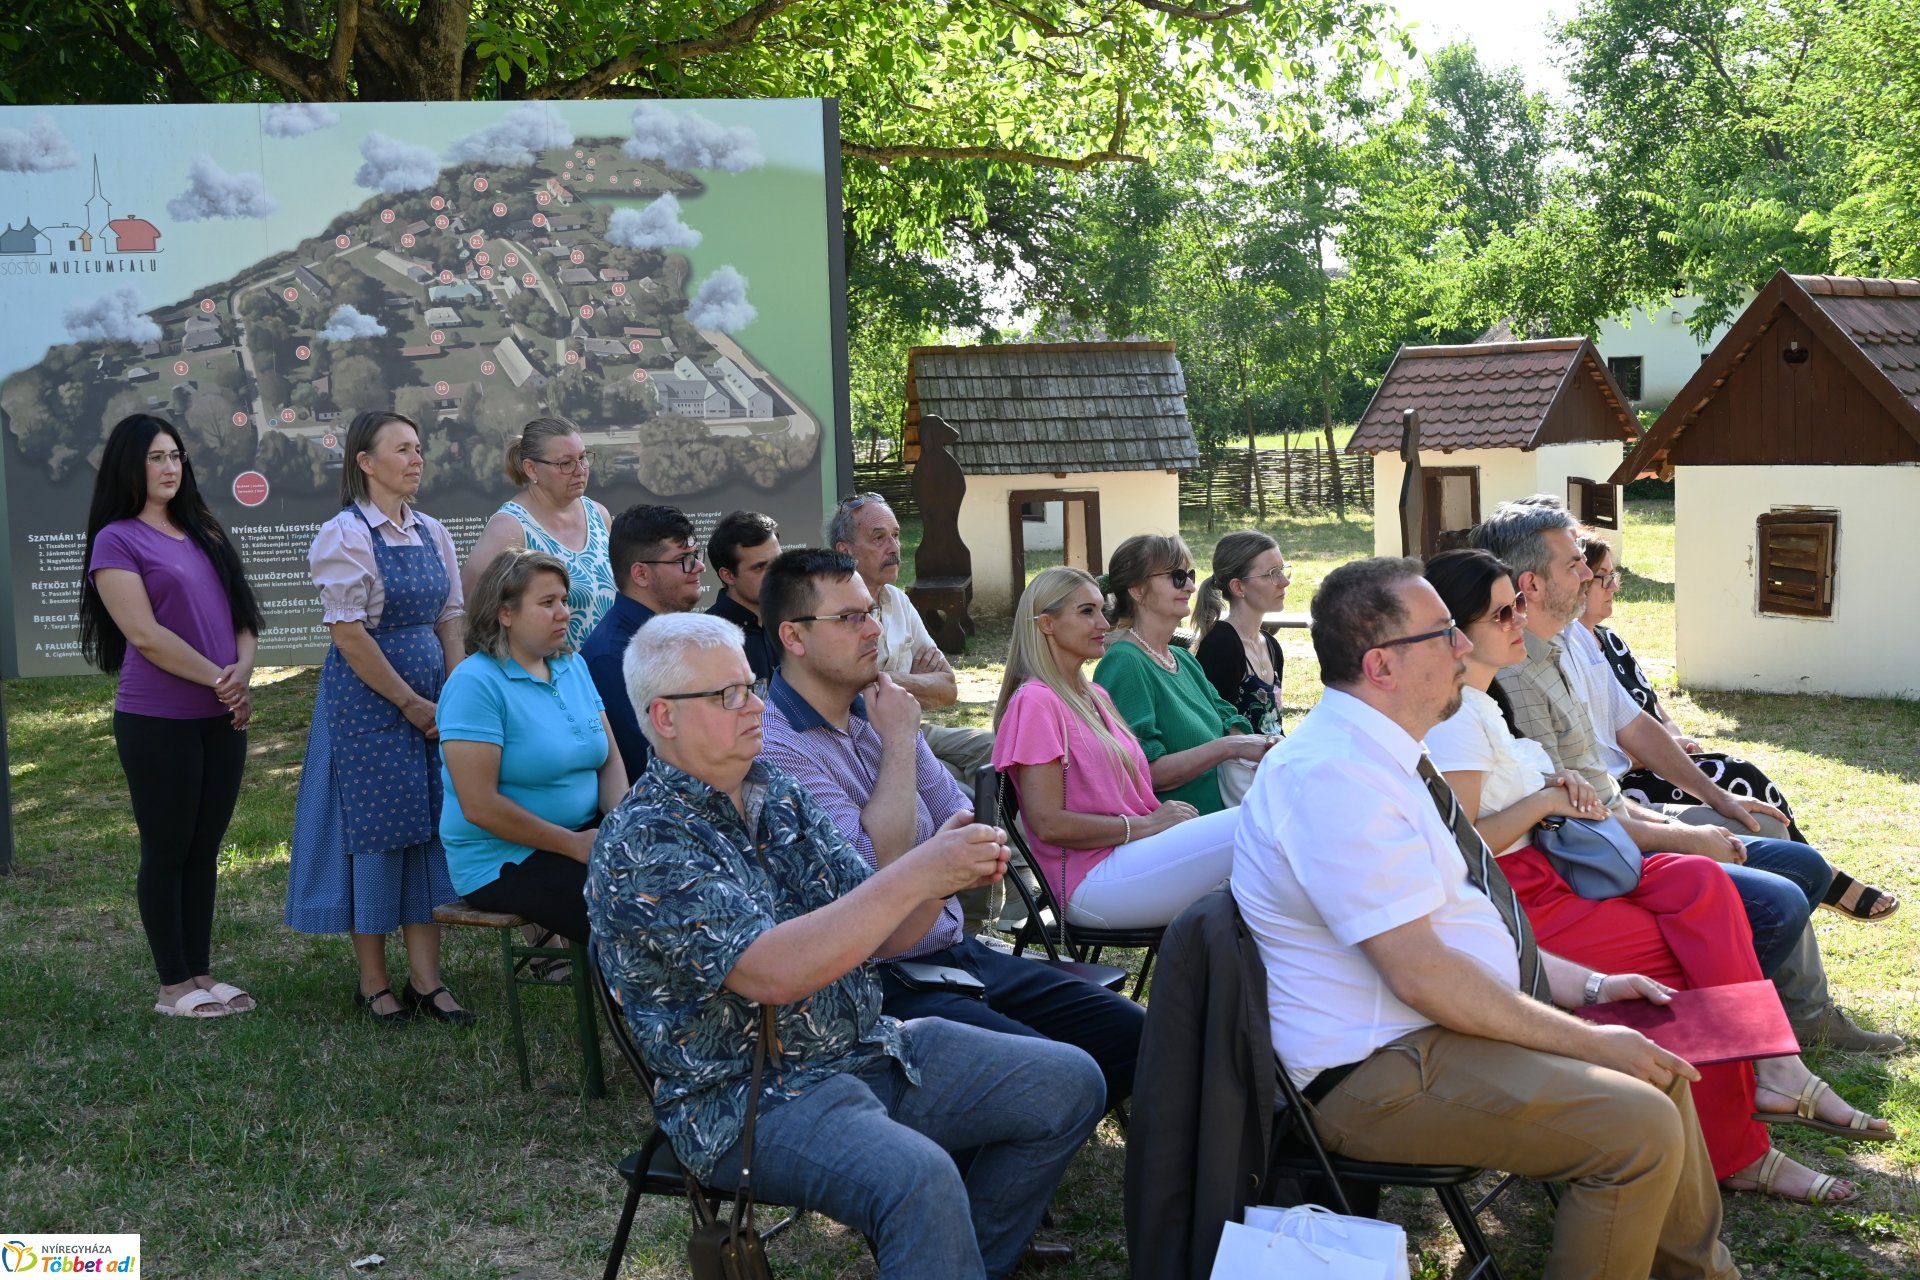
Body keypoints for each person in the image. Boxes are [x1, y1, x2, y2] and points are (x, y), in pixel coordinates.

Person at [1234, 556, 1738, 1280]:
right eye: (1444, 634)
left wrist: (1590, 989)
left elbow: (1464, 929)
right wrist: (1589, 1041)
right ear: (1381, 665)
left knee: (1658, 1074)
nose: (1465, 646)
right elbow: (1423, 974)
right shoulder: (1335, 777)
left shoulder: (1385, 757)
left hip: (1427, 1040)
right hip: (1372, 1075)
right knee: (1637, 1128)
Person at [585, 613, 1105, 1278]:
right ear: (664, 717)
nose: (755, 708)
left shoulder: (777, 795)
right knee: (919, 1177)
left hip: (865, 1048)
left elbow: (893, 933)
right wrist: (918, 873)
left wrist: (945, 871)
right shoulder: (645, 840)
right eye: (728, 696)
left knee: (1067, 1083)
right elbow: (772, 973)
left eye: (753, 686)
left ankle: (958, 1260)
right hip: (748, 1101)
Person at [1423, 549, 1888, 1203]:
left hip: (1555, 868)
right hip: (1523, 899)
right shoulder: (1458, 723)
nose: (1519, 618)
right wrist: (1546, 800)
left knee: (1701, 884)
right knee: (1684, 972)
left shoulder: (1483, 704)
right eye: (1504, 609)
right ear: (1458, 632)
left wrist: (1553, 789)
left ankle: (1776, 1068)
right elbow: (1462, 844)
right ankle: (1741, 1152)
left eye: (1519, 603)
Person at [1471, 496, 1898, 1054]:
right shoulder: (1516, 673)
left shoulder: (1565, 642)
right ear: (1530, 582)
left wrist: (1717, 802)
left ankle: (1790, 1015)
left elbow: (1626, 737)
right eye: (1576, 565)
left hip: (1621, 819)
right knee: (1783, 894)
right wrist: (1689, 835)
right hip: (1599, 850)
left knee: (1794, 857)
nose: (1591, 575)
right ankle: (1724, 1026)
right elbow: (1577, 816)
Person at [758, 551, 1145, 1111]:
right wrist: (898, 745)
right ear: (793, 637)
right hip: (877, 982)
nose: (874, 630)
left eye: (872, 612)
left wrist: (940, 849)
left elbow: (963, 815)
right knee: (1058, 1072)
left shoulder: (880, 707)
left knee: (1134, 1034)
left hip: (952, 950)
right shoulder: (780, 747)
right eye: (851, 618)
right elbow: (876, 877)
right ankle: (994, 1149)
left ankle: (1035, 1134)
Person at [1576, 532, 1897, 924]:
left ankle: (1812, 875)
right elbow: (1600, 745)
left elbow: (1651, 705)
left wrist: (1676, 737)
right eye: (1602, 577)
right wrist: (1652, 755)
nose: (1614, 586)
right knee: (1740, 774)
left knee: (1740, 771)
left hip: (1662, 758)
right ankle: (1819, 877)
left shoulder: (1611, 641)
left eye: (1615, 575)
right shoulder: (1570, 652)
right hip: (1632, 780)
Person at [285, 410, 470, 1025]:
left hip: (432, 702)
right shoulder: (345, 534)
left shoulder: (431, 531)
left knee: (424, 832)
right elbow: (351, 636)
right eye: (402, 449)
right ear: (365, 463)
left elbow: (449, 617)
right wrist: (411, 702)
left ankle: (428, 980)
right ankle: (373, 983)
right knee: (376, 834)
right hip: (369, 704)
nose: (416, 459)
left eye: (418, 448)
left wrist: (454, 689)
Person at [81, 413, 262, 1019]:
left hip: (220, 715)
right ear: (130, 467)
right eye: (156, 457)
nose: (169, 467)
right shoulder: (117, 539)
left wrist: (242, 671)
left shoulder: (203, 530)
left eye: (176, 456)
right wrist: (221, 681)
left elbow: (242, 614)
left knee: (204, 849)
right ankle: (171, 987)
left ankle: (201, 973)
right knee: (167, 849)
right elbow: (145, 635)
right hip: (158, 719)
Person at [993, 566, 1241, 932]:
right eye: (1086, 612)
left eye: (1101, 610)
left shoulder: (1096, 697)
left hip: (1133, 858)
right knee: (1263, 820)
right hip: (1091, 881)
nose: (1104, 625)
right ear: (1047, 624)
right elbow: (1048, 824)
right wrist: (1146, 824)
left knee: (1267, 858)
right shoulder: (1036, 702)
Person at [437, 549, 627, 946]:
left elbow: (608, 758)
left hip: (582, 837)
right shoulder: (476, 683)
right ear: (505, 613)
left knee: (677, 877)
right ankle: (642, 1004)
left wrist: (622, 828)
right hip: (502, 858)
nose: (564, 613)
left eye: (564, 600)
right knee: (628, 908)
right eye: (547, 603)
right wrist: (574, 845)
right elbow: (479, 805)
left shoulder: (571, 665)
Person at [1091, 533, 1273, 814]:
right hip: (1176, 835)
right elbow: (1145, 773)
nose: (1189, 585)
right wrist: (1230, 747)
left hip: (1219, 823)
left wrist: (1265, 744)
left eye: (1189, 574)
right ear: (1137, 590)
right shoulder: (1125, 663)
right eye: (1177, 577)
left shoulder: (1183, 660)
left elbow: (1228, 719)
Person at [829, 493, 993, 784]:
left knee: (994, 749)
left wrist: (882, 680)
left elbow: (948, 689)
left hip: (912, 727)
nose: (894, 548)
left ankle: (1002, 831)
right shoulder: (831, 609)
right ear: (845, 551)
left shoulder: (897, 600)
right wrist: (913, 682)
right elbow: (850, 692)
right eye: (879, 538)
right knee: (955, 782)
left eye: (896, 535)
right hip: (862, 739)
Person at [458, 416, 616, 650]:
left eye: (583, 458)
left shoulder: (598, 514)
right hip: (547, 680)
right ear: (531, 468)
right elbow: (469, 611)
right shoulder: (510, 529)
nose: (580, 470)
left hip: (603, 676)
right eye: (566, 463)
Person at [578, 503, 704, 781]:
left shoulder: (678, 634)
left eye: (695, 555)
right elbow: (646, 766)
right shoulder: (612, 657)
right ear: (641, 574)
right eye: (684, 558)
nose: (699, 566)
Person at [1192, 530, 1289, 734]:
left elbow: (1275, 728)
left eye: (1282, 570)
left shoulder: (1271, 646)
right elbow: (1215, 731)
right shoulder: (1221, 645)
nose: (1284, 581)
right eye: (1272, 574)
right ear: (1238, 587)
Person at [705, 509, 781, 681]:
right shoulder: (707, 640)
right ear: (728, 575)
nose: (775, 573)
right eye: (760, 567)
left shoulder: (792, 621)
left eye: (777, 561)